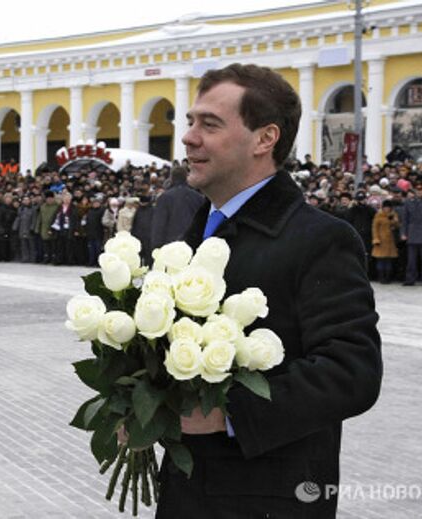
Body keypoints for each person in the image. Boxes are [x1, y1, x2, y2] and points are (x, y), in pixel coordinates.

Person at [157, 63, 382, 518]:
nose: (189, 137)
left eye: (210, 124)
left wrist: (230, 414)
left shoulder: (319, 239)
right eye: (190, 122)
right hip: (188, 493)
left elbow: (352, 371)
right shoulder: (193, 237)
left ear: (265, 139)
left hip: (267, 500)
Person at [150, 165, 205, 250]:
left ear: (171, 178)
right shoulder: (198, 197)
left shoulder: (164, 197)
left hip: (171, 247)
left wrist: (156, 248)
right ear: (186, 177)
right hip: (193, 245)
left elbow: (159, 225)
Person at [371, 200, 400, 284]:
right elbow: (374, 228)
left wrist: (394, 221)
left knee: (389, 261)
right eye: (385, 207)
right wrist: (376, 239)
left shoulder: (394, 215)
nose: (387, 209)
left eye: (388, 207)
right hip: (381, 241)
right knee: (380, 260)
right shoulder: (378, 216)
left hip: (390, 241)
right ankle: (381, 277)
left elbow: (397, 226)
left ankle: (388, 278)